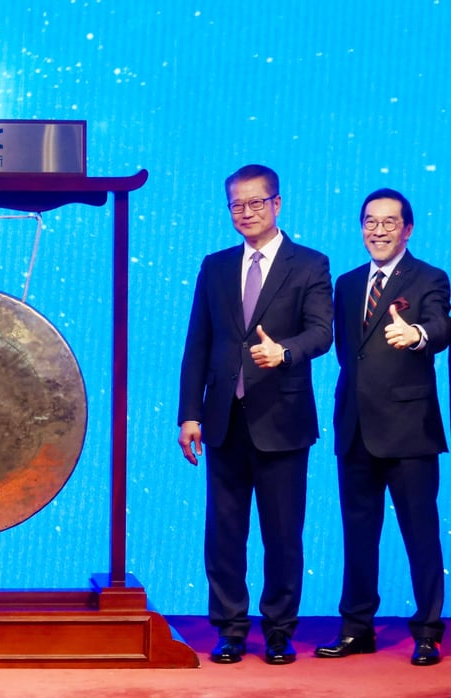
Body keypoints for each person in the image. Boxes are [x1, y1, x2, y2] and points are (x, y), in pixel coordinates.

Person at [177, 164, 333, 665]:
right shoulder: (215, 266)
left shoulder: (309, 264)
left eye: (256, 203)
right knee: (224, 534)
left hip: (282, 420)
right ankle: (231, 629)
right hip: (223, 420)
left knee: (283, 534)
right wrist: (189, 415)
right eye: (236, 205)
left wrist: (284, 351)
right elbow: (198, 343)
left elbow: (322, 333)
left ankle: (280, 631)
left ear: (277, 204)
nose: (245, 213)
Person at [314, 188, 448, 666]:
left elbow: (441, 327)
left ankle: (429, 631)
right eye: (370, 221)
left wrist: (417, 336)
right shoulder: (348, 284)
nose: (379, 230)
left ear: (408, 229)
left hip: (410, 430)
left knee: (421, 533)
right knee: (358, 533)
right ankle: (357, 629)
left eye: (390, 222)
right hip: (356, 427)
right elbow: (348, 352)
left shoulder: (430, 277)